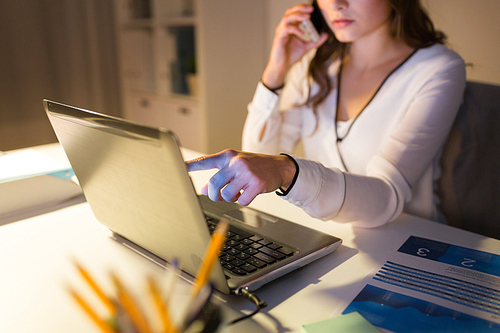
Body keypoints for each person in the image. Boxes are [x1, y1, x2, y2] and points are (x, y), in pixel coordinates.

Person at [187, 0, 466, 228]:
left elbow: (386, 197)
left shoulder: (438, 69)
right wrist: (275, 72)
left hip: (406, 240)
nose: (335, 4)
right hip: (327, 234)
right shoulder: (316, 64)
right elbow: (261, 153)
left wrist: (288, 171)